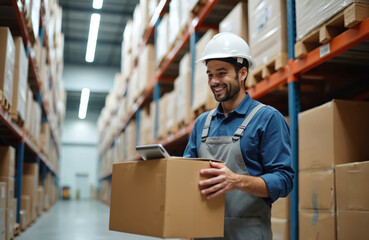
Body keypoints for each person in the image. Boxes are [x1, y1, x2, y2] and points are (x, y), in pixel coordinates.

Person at [183, 32, 294, 240]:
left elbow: (284, 180)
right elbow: (186, 177)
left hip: (248, 235)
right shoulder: (202, 123)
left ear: (242, 73)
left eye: (221, 73)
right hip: (203, 234)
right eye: (209, 75)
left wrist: (236, 181)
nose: (214, 81)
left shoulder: (267, 118)